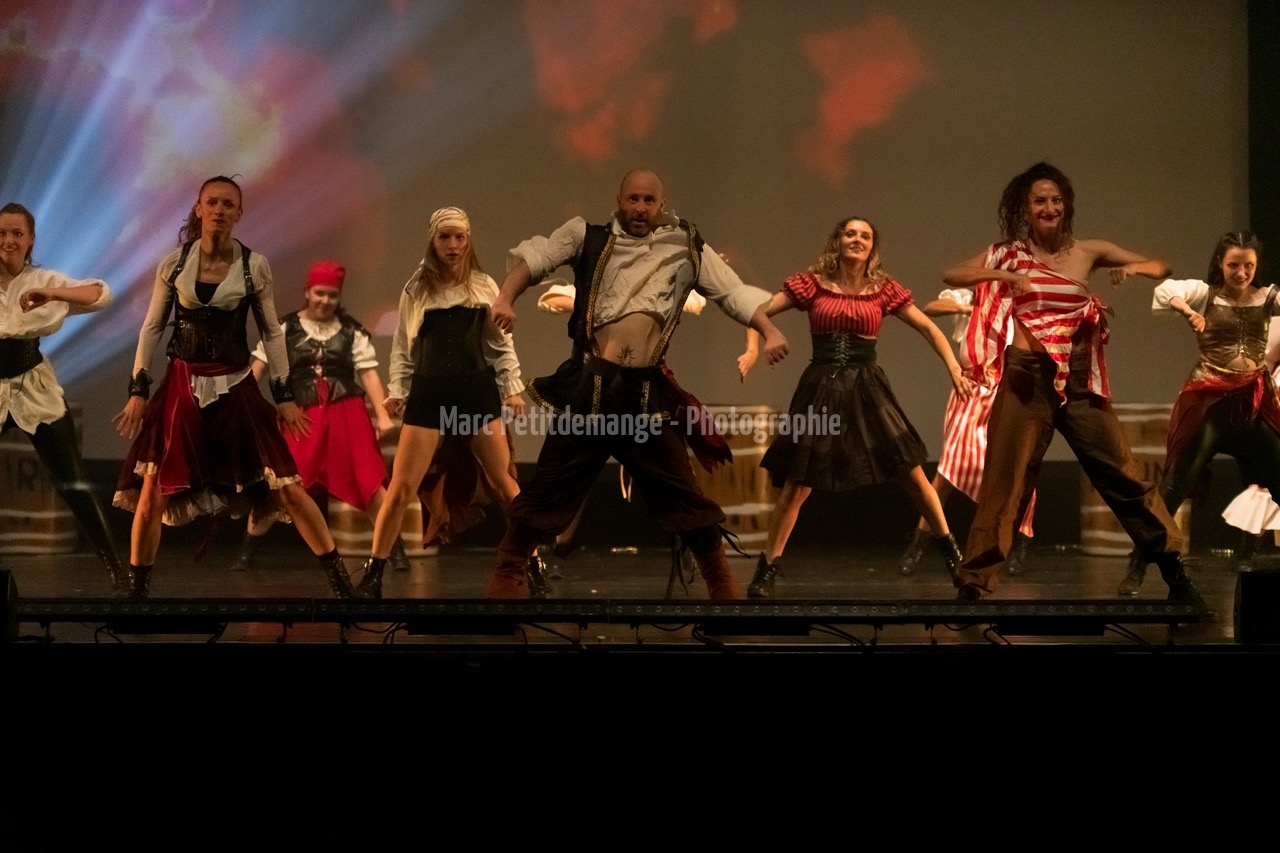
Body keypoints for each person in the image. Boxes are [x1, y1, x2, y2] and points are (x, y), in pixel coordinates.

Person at [483, 168, 789, 599]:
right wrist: (504, 298)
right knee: (549, 487)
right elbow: (533, 262)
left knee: (682, 491)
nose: (640, 208)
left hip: (645, 398)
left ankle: (720, 580)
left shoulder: (685, 245)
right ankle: (507, 573)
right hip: (590, 393)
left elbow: (732, 293)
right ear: (619, 200)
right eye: (633, 199)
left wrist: (768, 330)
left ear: (661, 205)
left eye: (648, 201)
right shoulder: (585, 237)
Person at [944, 161, 1202, 607]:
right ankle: (975, 582)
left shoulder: (1088, 251)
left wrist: (1135, 270)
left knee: (1122, 473)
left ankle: (1174, 571)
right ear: (1025, 208)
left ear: (1066, 206)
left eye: (1056, 200)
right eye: (1039, 201)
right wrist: (1006, 276)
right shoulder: (1008, 253)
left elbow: (1162, 265)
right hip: (1028, 377)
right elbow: (952, 275)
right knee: (1006, 481)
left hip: (1080, 380)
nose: (1049, 207)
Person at [112, 175, 355, 598]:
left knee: (287, 488)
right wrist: (138, 389)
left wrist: (283, 396)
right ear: (199, 209)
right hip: (182, 389)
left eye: (228, 204)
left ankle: (341, 584)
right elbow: (152, 328)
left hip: (235, 385)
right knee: (153, 491)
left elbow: (272, 332)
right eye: (213, 202)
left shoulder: (252, 266)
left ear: (239, 213)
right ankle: (137, 592)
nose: (220, 210)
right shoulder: (174, 264)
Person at [739, 216, 975, 597]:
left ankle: (955, 560)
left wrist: (953, 367)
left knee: (913, 475)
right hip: (821, 387)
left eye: (865, 235)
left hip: (868, 388)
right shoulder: (813, 284)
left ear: (872, 248)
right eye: (850, 233)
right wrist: (757, 345)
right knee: (797, 486)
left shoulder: (883, 290)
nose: (857, 239)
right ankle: (766, 570)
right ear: (838, 241)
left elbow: (929, 328)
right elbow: (755, 311)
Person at [353, 206, 524, 600]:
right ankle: (374, 573)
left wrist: (512, 388)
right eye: (445, 237)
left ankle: (533, 562)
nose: (453, 245)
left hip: (475, 392)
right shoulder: (416, 289)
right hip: (430, 393)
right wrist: (397, 391)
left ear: (468, 240)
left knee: (504, 484)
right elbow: (403, 347)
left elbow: (500, 344)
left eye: (459, 237)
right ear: (433, 240)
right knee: (401, 488)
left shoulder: (483, 285)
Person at [1117, 232, 1280, 594]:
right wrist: (1187, 309)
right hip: (1209, 402)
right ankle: (1137, 565)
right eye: (1234, 265)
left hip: (1252, 402)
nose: (1241, 273)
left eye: (1248, 266)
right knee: (1173, 488)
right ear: (1221, 263)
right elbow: (1165, 290)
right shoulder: (1206, 293)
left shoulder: (1268, 297)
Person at [228, 260, 410, 574]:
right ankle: (247, 551)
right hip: (302, 417)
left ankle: (395, 550)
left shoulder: (352, 331)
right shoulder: (284, 328)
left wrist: (382, 416)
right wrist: (243, 405)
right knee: (281, 484)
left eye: (332, 295)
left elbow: (368, 375)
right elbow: (257, 369)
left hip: (347, 416)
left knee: (369, 482)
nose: (325, 300)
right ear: (307, 292)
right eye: (320, 293)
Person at [0, 202, 131, 596]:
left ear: (30, 239)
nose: (8, 240)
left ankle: (117, 569)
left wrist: (50, 293)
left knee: (73, 480)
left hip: (33, 388)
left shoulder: (43, 280)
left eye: (17, 233)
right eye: (2, 233)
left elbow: (101, 295)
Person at [896, 286, 1037, 577]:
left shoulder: (1015, 307)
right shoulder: (968, 299)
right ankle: (920, 543)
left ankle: (1019, 542)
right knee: (949, 470)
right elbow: (932, 307)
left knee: (1016, 468)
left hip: (1003, 392)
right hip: (968, 391)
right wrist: (971, 309)